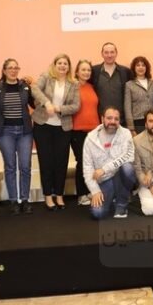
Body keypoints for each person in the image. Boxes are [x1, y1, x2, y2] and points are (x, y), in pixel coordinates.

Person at [31, 54, 81, 210]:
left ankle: (59, 195)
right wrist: (47, 103)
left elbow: (76, 106)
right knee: (46, 162)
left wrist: (59, 108)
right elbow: (35, 89)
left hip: (63, 127)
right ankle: (48, 196)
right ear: (54, 65)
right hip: (43, 126)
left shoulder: (74, 83)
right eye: (59, 63)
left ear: (69, 66)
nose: (62, 66)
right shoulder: (46, 77)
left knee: (61, 162)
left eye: (65, 63)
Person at [83, 107, 137, 219]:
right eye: (109, 118)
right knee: (97, 213)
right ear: (102, 118)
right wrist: (95, 191)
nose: (113, 121)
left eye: (116, 119)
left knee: (128, 168)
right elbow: (87, 168)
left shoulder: (126, 133)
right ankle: (113, 197)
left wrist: (105, 169)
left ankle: (121, 203)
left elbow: (128, 156)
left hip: (119, 176)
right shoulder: (90, 138)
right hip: (104, 181)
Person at [0, 59, 34, 215]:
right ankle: (13, 201)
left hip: (24, 132)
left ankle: (25, 200)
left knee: (25, 166)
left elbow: (34, 104)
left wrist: (34, 85)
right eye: (10, 68)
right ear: (4, 70)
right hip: (6, 132)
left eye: (16, 68)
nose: (13, 70)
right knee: (10, 166)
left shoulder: (25, 86)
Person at [71, 59, 100, 206]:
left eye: (88, 70)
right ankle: (81, 194)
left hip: (94, 131)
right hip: (78, 131)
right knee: (82, 163)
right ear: (77, 72)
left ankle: (90, 191)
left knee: (92, 163)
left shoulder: (91, 87)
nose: (86, 72)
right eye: (83, 69)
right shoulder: (72, 86)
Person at [90, 42, 131, 121]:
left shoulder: (126, 72)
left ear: (116, 53)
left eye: (112, 52)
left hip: (121, 119)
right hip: (100, 119)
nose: (109, 55)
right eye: (106, 52)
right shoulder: (94, 71)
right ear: (102, 54)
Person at [124, 56, 153, 136]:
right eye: (138, 65)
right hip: (137, 122)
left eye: (143, 65)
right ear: (134, 68)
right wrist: (131, 128)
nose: (141, 67)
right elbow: (127, 107)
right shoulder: (129, 85)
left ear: (146, 67)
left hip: (152, 120)